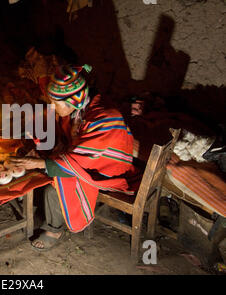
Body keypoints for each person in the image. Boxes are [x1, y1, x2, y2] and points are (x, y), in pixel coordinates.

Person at [11, 64, 137, 251]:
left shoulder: (103, 119)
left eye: (55, 103)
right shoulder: (81, 109)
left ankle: (54, 230)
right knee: (45, 157)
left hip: (106, 170)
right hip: (89, 159)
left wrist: (38, 163)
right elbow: (72, 144)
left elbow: (79, 161)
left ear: (73, 101)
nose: (52, 106)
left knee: (54, 188)